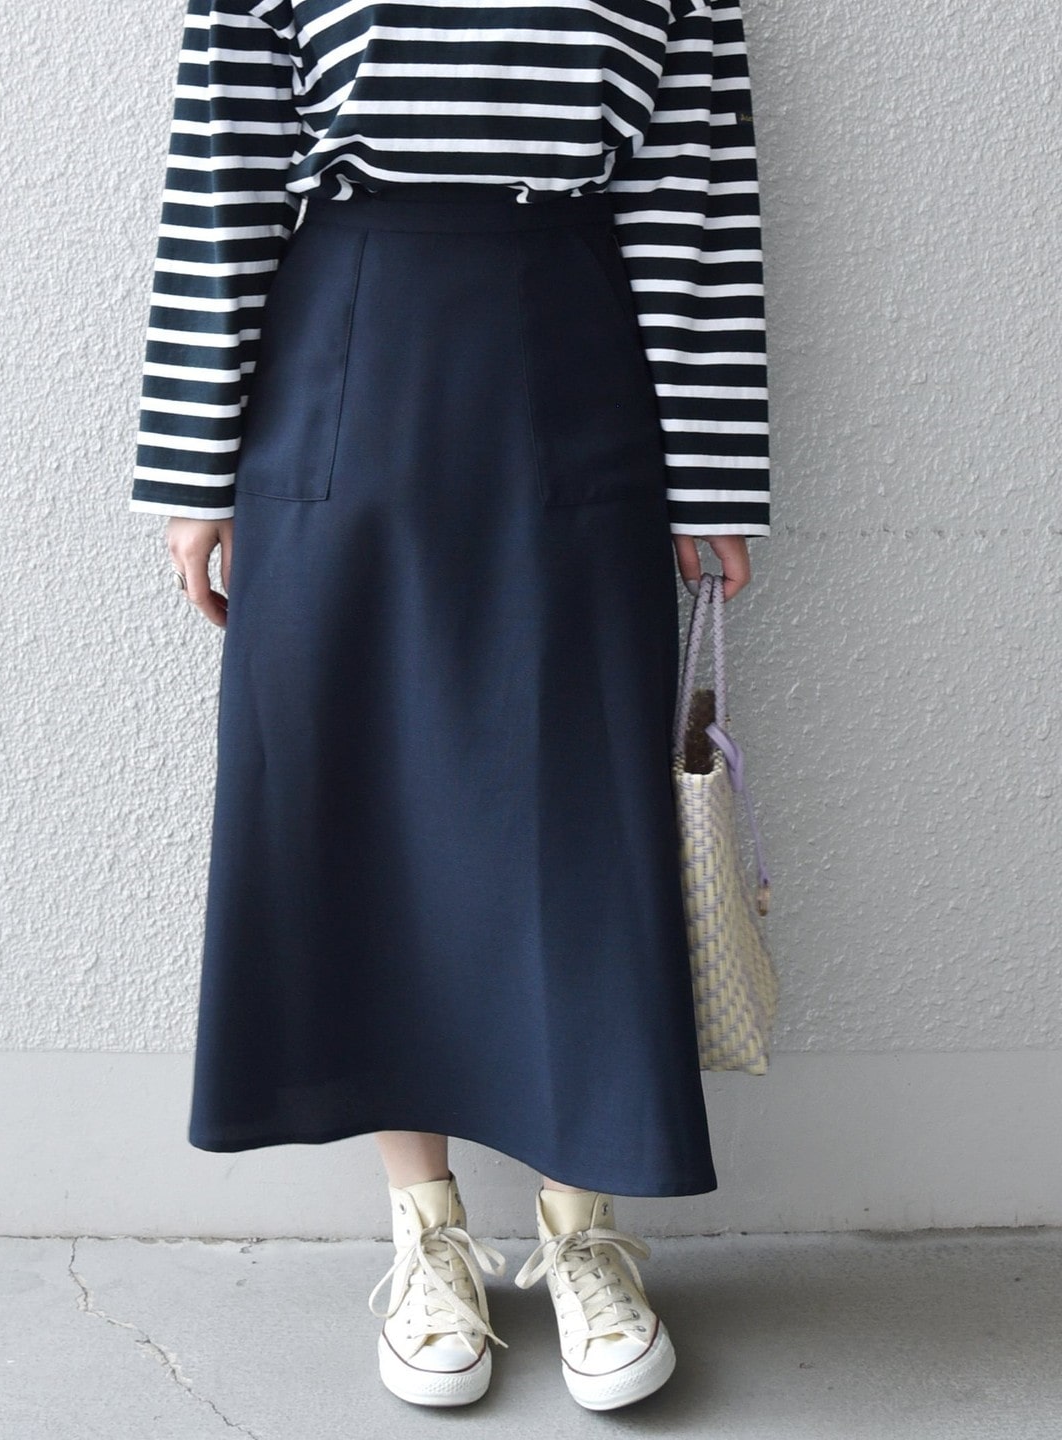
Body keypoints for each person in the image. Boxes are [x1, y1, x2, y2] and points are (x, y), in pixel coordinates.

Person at [130, 0, 769, 1413]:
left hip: (577, 355)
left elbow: (695, 191)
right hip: (347, 362)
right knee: (363, 799)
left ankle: (582, 1232)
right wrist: (192, 465)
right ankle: (425, 1236)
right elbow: (226, 164)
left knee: (583, 820)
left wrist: (714, 468)